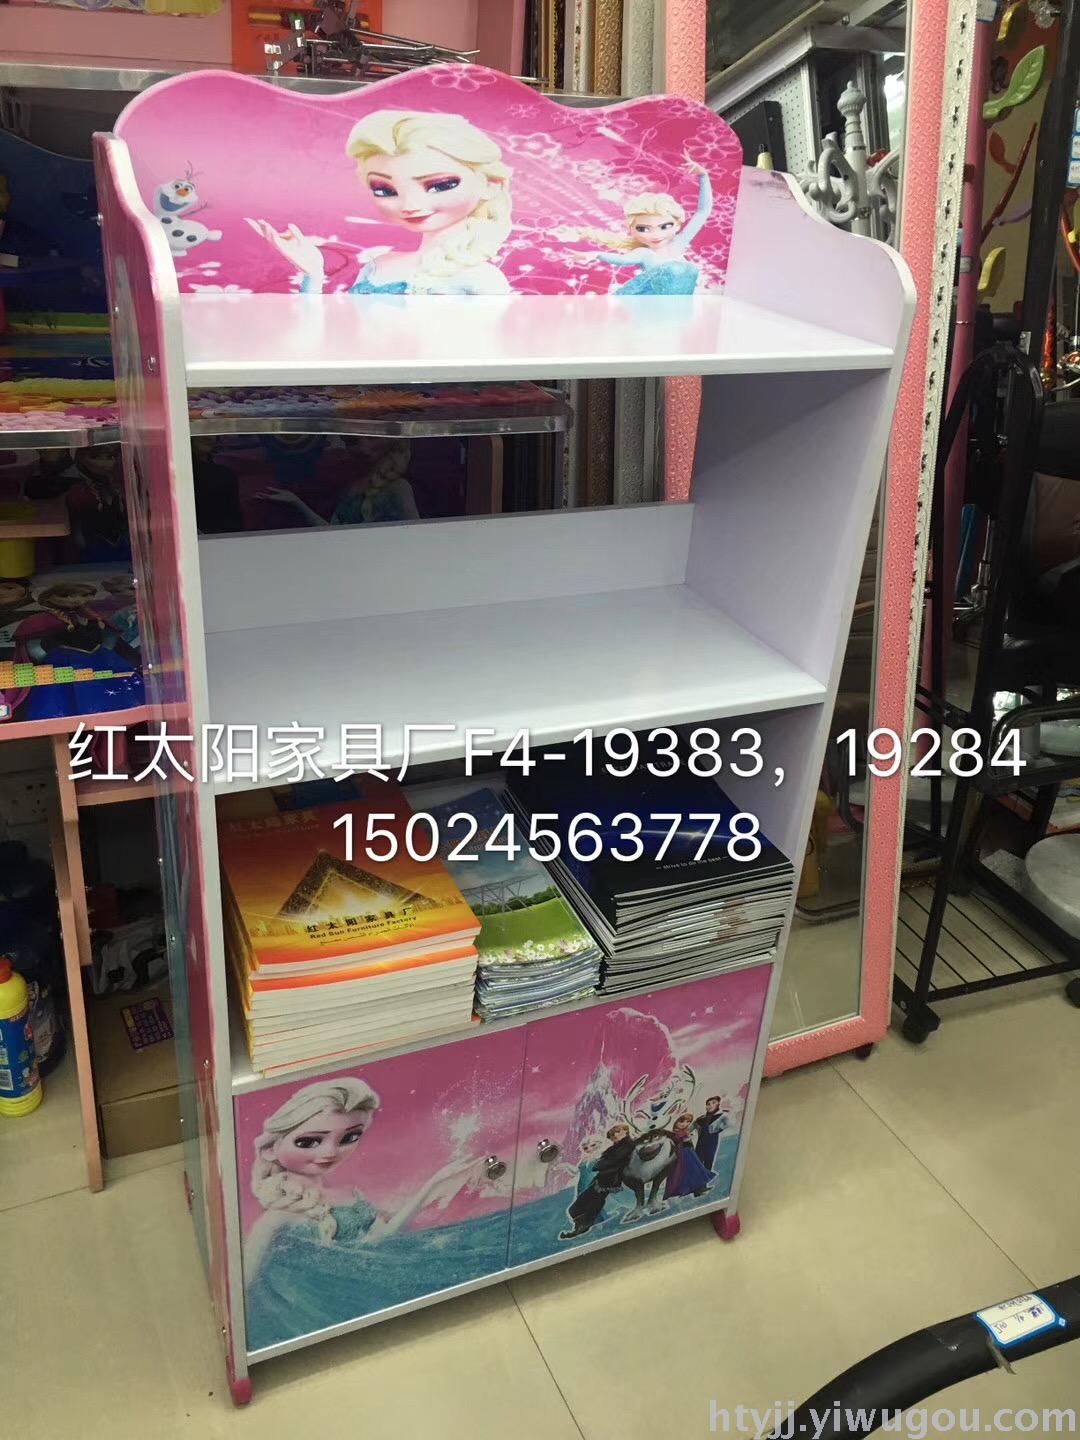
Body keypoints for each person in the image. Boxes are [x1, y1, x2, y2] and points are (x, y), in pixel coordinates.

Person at [247, 110, 512, 296]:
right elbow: (330, 333)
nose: (410, 204)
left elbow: (489, 351)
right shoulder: (379, 265)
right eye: (385, 190)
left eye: (439, 185)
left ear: (491, 185)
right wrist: (312, 274)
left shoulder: (481, 278)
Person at [556, 152, 713, 296]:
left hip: (680, 302)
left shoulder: (679, 243)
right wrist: (595, 255)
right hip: (652, 301)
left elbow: (703, 211)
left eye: (665, 226)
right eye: (643, 229)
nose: (656, 235)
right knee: (673, 270)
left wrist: (703, 176)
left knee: (682, 271)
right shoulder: (644, 253)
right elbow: (622, 260)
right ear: (632, 230)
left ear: (678, 224)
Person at [559, 1122, 635, 1239]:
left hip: (604, 1183)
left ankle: (585, 1227)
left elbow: (615, 1164)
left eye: (593, 1145)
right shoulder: (589, 1158)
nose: (589, 1149)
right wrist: (565, 1166)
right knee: (577, 1209)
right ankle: (581, 1227)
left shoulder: (614, 1151)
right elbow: (577, 1171)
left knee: (591, 1206)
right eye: (586, 1148)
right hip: (590, 1184)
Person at [664, 1110, 715, 1199]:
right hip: (683, 1155)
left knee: (696, 1171)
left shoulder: (684, 1131)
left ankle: (699, 1190)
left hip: (689, 1153)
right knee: (688, 1173)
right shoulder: (675, 1133)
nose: (685, 1124)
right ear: (675, 1121)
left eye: (688, 1122)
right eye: (682, 1121)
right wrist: (685, 1137)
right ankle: (691, 1190)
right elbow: (678, 1141)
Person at [694, 1095, 730, 1174]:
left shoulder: (722, 1116)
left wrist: (717, 1129)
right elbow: (695, 1127)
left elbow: (728, 1124)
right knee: (697, 1162)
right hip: (700, 1142)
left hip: (712, 1141)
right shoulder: (701, 1118)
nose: (710, 1105)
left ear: (718, 1104)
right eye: (708, 1104)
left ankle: (706, 1180)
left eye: (713, 1103)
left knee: (708, 1161)